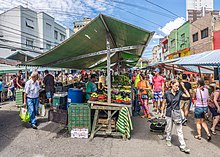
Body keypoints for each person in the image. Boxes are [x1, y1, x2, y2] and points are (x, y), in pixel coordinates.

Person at [161, 79, 190, 153]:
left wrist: (183, 87)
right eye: (176, 85)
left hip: (177, 113)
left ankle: (183, 146)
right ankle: (168, 139)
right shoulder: (167, 93)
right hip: (169, 113)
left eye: (178, 86)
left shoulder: (179, 93)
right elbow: (164, 103)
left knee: (179, 130)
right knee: (169, 128)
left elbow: (188, 96)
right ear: (172, 85)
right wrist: (162, 112)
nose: (177, 87)